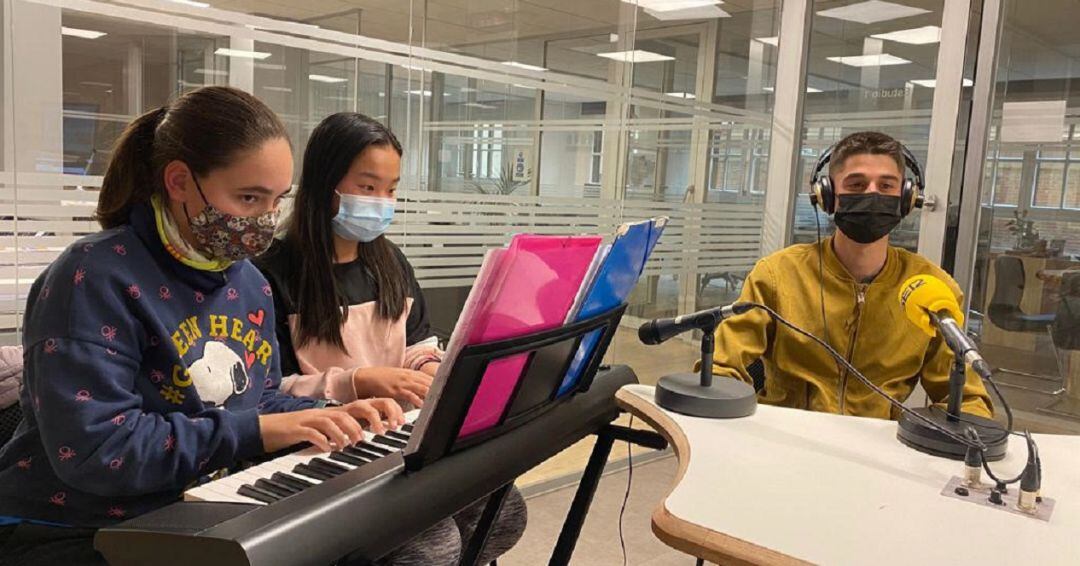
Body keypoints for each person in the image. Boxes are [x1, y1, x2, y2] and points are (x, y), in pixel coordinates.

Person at [0, 87, 403, 566]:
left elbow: (257, 399)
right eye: (249, 197)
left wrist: (327, 413)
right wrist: (259, 431)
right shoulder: (92, 275)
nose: (266, 221)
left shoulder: (249, 281)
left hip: (196, 507)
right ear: (179, 181)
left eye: (277, 200)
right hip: (77, 526)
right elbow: (98, 450)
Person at [255, 112, 526, 565]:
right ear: (326, 183)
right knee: (433, 549)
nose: (382, 201)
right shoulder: (272, 273)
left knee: (503, 514)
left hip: (400, 436)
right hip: (327, 447)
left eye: (391, 188)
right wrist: (360, 381)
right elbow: (268, 392)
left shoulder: (389, 262)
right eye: (367, 186)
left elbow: (418, 341)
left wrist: (429, 369)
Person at [707, 131, 994, 419]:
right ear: (827, 195)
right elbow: (722, 369)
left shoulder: (933, 289)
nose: (872, 194)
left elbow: (968, 401)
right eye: (857, 184)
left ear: (907, 198)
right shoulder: (777, 275)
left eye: (886, 185)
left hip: (877, 447)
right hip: (788, 438)